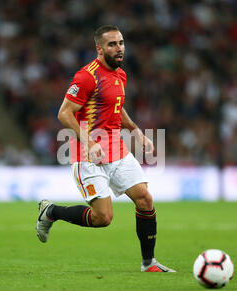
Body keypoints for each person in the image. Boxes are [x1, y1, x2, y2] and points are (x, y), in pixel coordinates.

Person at [36, 25, 175, 272]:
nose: (119, 48)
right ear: (99, 49)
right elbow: (64, 113)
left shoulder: (120, 75)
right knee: (103, 218)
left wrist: (136, 132)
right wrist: (89, 143)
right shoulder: (86, 76)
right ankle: (52, 211)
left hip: (117, 150)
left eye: (121, 42)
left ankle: (148, 262)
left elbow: (116, 107)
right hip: (88, 155)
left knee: (145, 199)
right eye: (112, 44)